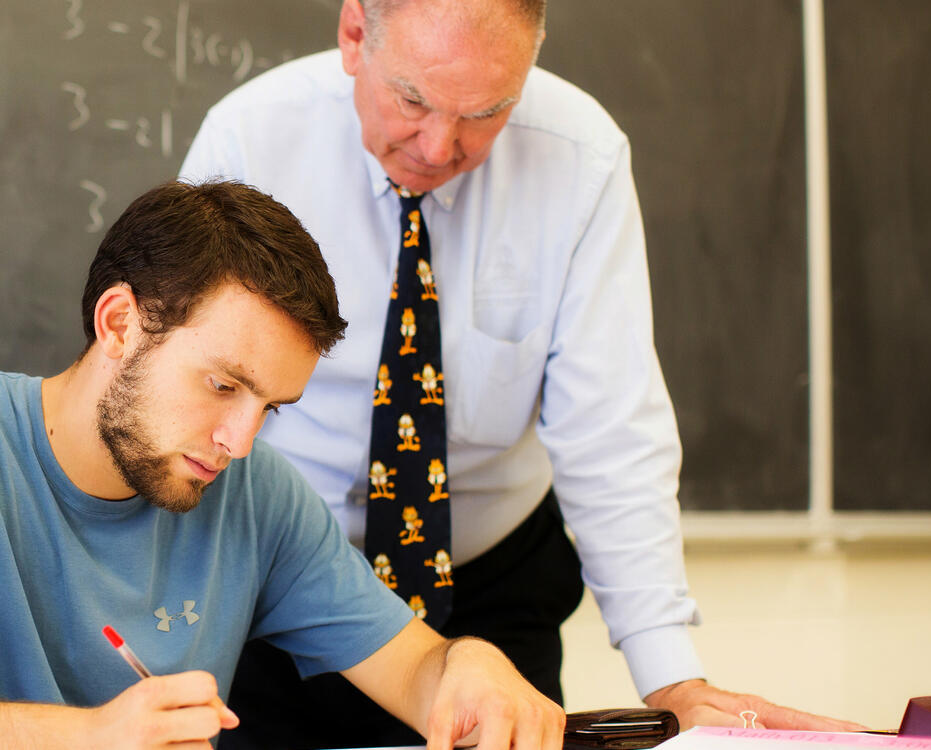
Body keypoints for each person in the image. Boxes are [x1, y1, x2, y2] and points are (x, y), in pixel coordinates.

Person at [178, 1, 865, 747]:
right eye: (412, 100)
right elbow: (183, 384)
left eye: (487, 112)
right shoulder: (251, 138)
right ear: (353, 37)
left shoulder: (581, 156)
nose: (441, 146)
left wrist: (671, 677)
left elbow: (608, 428)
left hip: (490, 589)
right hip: (278, 587)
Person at [0, 180, 565, 750]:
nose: (240, 441)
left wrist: (470, 664)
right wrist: (88, 738)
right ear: (119, 324)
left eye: (269, 408)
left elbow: (419, 672)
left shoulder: (258, 500)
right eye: (222, 385)